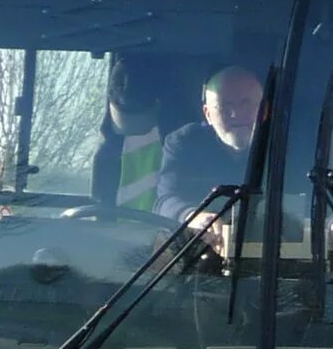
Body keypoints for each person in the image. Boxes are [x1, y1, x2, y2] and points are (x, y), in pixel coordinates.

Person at [155, 65, 266, 235]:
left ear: (265, 110)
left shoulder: (290, 148)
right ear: (208, 115)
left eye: (246, 104)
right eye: (224, 106)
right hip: (198, 252)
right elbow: (165, 201)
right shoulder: (185, 144)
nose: (236, 114)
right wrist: (195, 217)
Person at [88, 56, 169, 213]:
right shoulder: (106, 154)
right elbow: (100, 210)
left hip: (169, 235)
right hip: (116, 234)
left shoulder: (179, 145)